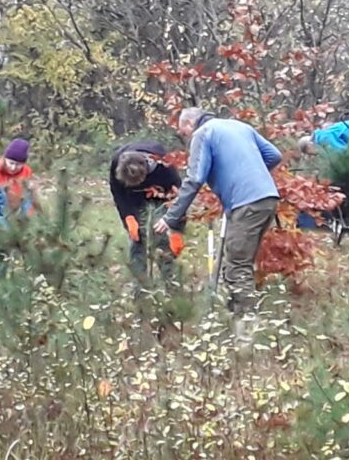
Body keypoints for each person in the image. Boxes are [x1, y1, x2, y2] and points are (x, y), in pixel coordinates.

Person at [154, 108, 282, 315]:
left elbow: (194, 179)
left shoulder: (203, 133)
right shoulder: (240, 126)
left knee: (237, 267)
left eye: (183, 132)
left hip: (246, 202)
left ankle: (246, 330)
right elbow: (274, 155)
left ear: (189, 124)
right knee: (241, 262)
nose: (185, 137)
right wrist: (249, 173)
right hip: (267, 198)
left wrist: (171, 217)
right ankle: (235, 317)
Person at [109, 140, 183, 282]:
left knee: (161, 237)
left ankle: (171, 283)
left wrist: (176, 230)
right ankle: (140, 287)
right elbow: (117, 192)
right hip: (132, 200)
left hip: (161, 198)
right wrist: (128, 217)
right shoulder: (117, 161)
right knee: (137, 239)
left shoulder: (165, 166)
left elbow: (179, 199)